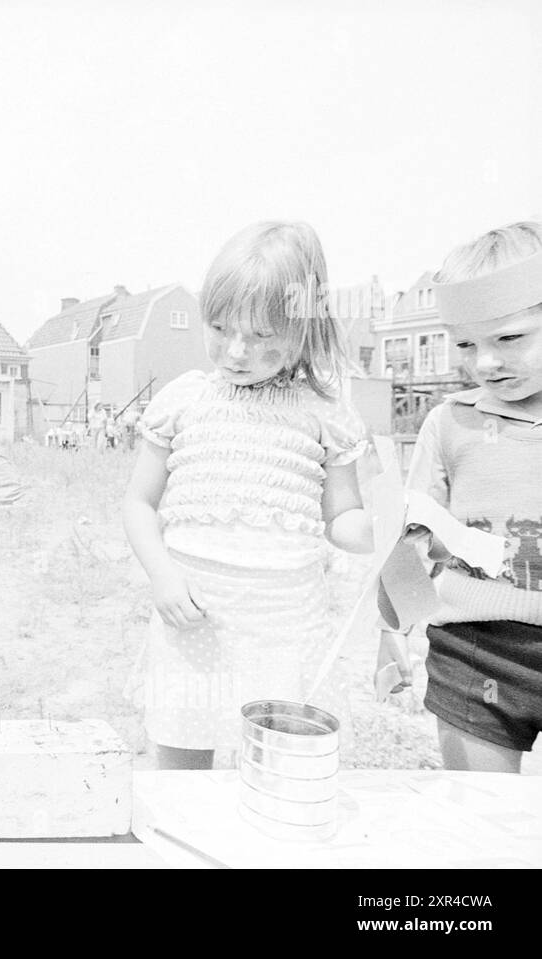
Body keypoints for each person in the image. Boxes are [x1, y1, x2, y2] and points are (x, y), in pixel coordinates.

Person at [122, 221, 373, 770]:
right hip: (194, 612)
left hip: (284, 620)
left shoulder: (325, 413)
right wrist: (162, 574)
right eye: (219, 327)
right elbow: (139, 504)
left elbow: (344, 515)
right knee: (182, 755)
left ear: (303, 329)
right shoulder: (183, 400)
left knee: (282, 761)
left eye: (262, 337)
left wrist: (370, 529)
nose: (236, 351)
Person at [390, 221, 542, 773]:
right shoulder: (449, 423)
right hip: (473, 652)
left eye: (509, 337)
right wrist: (392, 628)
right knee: (479, 821)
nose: (485, 363)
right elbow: (414, 540)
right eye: (466, 344)